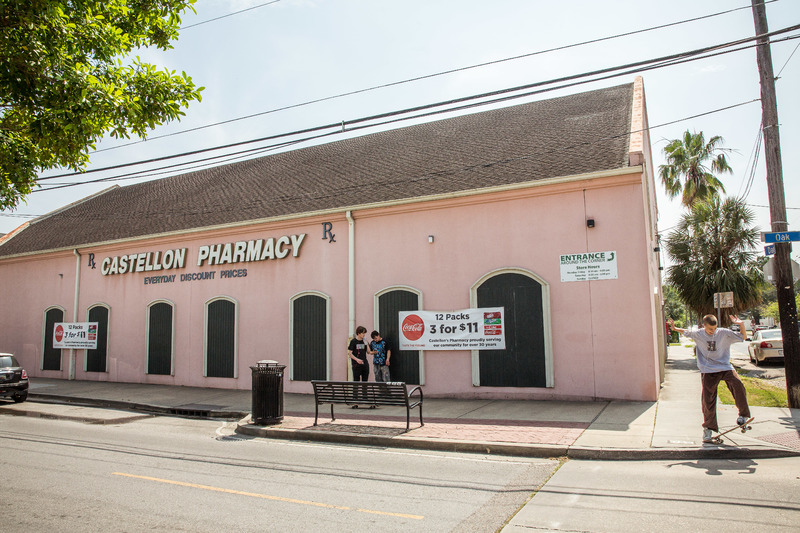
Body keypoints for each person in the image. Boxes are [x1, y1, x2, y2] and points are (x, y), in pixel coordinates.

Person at [668, 314, 752, 443]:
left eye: (714, 329)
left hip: (725, 366)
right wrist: (674, 328)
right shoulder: (699, 334)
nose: (712, 332)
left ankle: (743, 415)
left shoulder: (723, 333)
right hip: (708, 369)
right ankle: (708, 428)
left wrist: (741, 324)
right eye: (709, 330)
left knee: (738, 384)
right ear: (703, 326)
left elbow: (743, 337)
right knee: (708, 398)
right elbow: (686, 331)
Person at [347, 326, 369, 407]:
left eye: (364, 333)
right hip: (356, 364)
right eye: (363, 333)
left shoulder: (364, 341)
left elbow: (369, 352)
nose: (364, 335)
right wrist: (357, 360)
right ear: (358, 333)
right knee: (356, 381)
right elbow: (350, 353)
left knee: (365, 381)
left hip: (364, 363)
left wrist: (367, 343)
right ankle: (355, 400)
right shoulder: (353, 342)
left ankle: (365, 398)